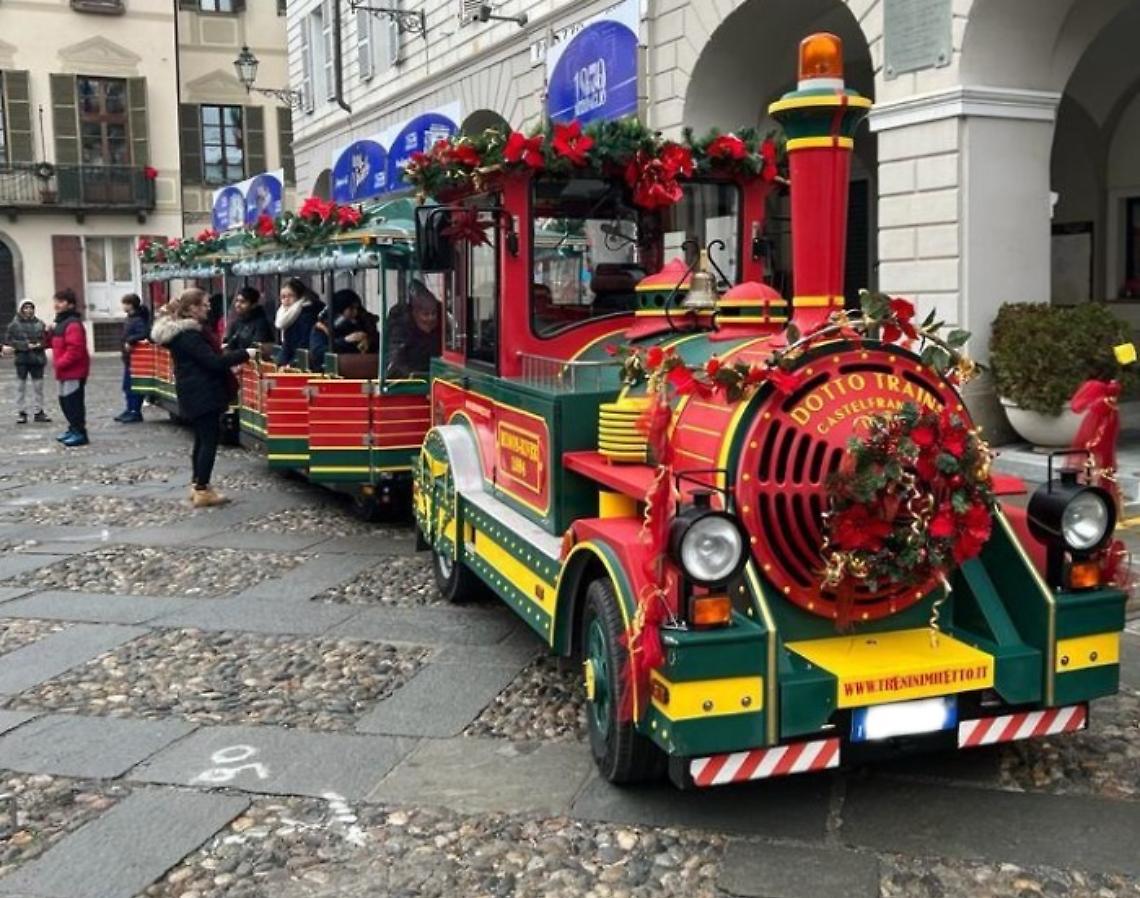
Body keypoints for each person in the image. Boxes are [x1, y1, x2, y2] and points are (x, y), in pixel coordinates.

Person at [150, 288, 253, 508]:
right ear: (192, 308)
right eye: (204, 305)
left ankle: (197, 483)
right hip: (203, 392)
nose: (208, 309)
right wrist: (245, 354)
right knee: (208, 440)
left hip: (194, 390)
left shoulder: (183, 333)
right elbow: (213, 362)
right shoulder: (190, 335)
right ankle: (202, 488)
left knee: (201, 439)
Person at [49, 289, 90, 447]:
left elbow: (75, 350)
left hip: (73, 371)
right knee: (65, 402)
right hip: (64, 371)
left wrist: (60, 363)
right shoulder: (60, 323)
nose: (57, 305)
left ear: (71, 304)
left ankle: (80, 432)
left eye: (61, 302)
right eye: (56, 301)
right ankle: (72, 428)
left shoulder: (72, 324)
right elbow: (53, 343)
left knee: (73, 403)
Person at [4, 300, 51, 425]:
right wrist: (24, 345)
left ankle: (39, 411)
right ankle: (21, 412)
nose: (28, 310)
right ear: (21, 309)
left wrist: (39, 345)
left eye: (31, 308)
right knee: (21, 387)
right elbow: (9, 342)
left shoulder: (40, 324)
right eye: (26, 308)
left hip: (37, 359)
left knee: (38, 387)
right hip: (22, 359)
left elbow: (47, 340)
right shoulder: (14, 325)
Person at [385, 279, 442, 378]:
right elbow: (396, 361)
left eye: (434, 313)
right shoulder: (400, 329)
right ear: (414, 313)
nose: (431, 318)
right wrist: (414, 375)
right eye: (426, 314)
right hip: (406, 381)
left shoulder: (442, 326)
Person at [310, 288, 368, 370]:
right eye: (351, 309)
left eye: (357, 309)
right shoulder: (322, 328)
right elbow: (318, 354)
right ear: (340, 309)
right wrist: (345, 341)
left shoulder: (359, 324)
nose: (355, 313)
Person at [273, 278, 323, 368]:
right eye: (283, 297)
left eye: (290, 296)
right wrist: (280, 364)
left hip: (308, 364)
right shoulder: (286, 314)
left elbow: (304, 345)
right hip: (294, 360)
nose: (286, 300)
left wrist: (290, 365)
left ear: (299, 296)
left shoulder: (307, 315)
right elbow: (286, 346)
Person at [116, 293, 150, 424]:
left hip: (136, 359)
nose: (123, 306)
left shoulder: (138, 320)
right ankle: (129, 409)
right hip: (128, 358)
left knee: (133, 386)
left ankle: (135, 411)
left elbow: (144, 333)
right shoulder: (129, 318)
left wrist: (130, 340)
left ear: (131, 305)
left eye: (125, 303)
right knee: (127, 386)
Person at [222, 286, 274, 353]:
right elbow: (230, 344)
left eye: (243, 302)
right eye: (237, 301)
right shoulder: (236, 323)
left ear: (253, 305)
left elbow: (257, 349)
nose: (238, 305)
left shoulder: (261, 323)